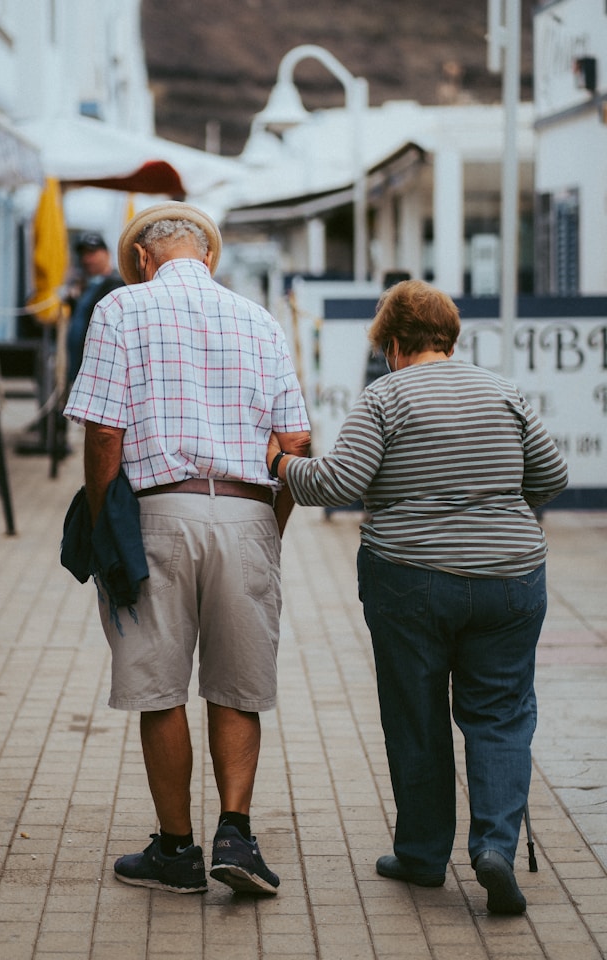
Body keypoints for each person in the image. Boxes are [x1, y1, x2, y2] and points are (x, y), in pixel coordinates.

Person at [266, 279, 568, 915]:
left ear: (396, 344)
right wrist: (493, 514)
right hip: (510, 579)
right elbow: (551, 475)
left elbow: (340, 482)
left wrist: (282, 466)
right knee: (502, 714)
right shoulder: (502, 390)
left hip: (410, 578)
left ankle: (425, 856)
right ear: (450, 338)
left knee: (416, 713)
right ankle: (494, 849)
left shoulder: (387, 396)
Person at [64, 202, 310, 896]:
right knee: (237, 685)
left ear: (142, 258)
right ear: (209, 259)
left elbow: (104, 432)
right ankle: (238, 835)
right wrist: (270, 529)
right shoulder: (261, 320)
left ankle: (177, 851)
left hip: (157, 512)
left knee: (159, 686)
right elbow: (296, 446)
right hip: (245, 512)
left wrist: (101, 516)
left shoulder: (120, 310)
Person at [66, 232, 124, 383]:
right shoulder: (87, 286)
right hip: (79, 368)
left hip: (99, 373)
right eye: (83, 254)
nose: (86, 259)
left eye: (92, 253)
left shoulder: (116, 286)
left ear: (106, 253)